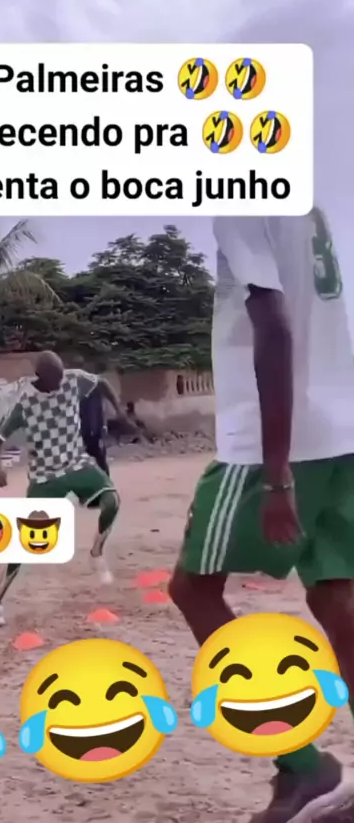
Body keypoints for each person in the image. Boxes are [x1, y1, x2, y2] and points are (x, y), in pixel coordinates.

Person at [168, 210, 354, 823]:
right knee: (337, 600)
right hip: (341, 432)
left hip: (269, 444)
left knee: (193, 589)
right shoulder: (307, 200)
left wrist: (276, 474)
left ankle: (303, 763)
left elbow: (271, 322)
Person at [0, 352, 127, 627]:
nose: (61, 382)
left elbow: (101, 383)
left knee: (112, 500)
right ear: (41, 377)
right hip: (45, 477)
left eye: (62, 376)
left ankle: (96, 552)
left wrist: (118, 410)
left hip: (77, 464)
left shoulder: (73, 380)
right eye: (55, 379)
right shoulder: (25, 403)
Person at [80, 380, 112, 476]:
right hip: (83, 432)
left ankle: (106, 480)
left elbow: (101, 410)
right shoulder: (78, 392)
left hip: (95, 431)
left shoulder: (95, 391)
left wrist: (104, 425)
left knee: (100, 457)